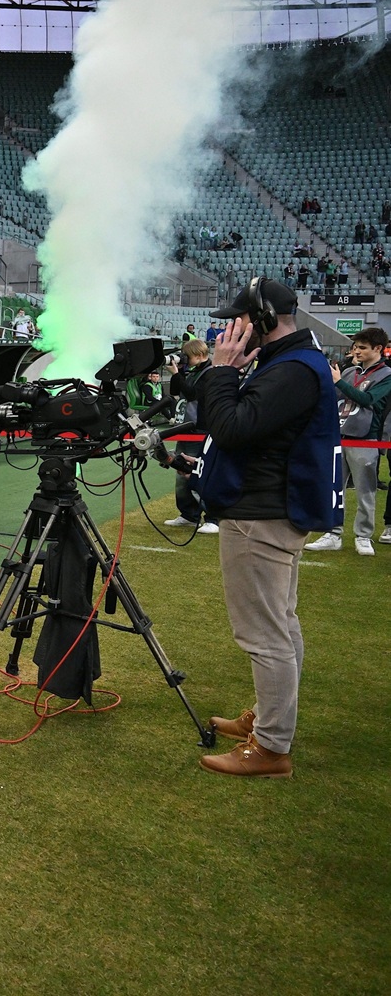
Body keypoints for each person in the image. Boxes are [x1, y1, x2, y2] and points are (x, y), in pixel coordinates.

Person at [185, 278, 342, 779]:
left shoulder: (292, 369)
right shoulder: (292, 363)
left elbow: (231, 426)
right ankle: (269, 718)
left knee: (264, 633)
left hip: (262, 515)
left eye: (240, 321)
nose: (229, 331)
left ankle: (272, 746)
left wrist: (220, 371)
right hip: (269, 508)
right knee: (281, 622)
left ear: (266, 319)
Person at [301, 327, 390, 556]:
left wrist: (339, 382)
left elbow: (368, 399)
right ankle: (332, 532)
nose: (356, 351)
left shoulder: (387, 375)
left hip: (365, 438)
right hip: (338, 436)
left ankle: (363, 536)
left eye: (362, 347)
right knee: (333, 489)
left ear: (377, 349)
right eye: (355, 347)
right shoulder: (350, 371)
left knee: (366, 491)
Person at [164, 339, 218, 534]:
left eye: (187, 355)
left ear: (196, 354)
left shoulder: (210, 372)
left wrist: (178, 374)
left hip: (200, 429)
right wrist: (177, 374)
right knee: (181, 470)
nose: (184, 358)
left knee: (199, 473)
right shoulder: (193, 371)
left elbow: (193, 394)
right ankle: (188, 514)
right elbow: (176, 392)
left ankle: (213, 518)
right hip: (186, 427)